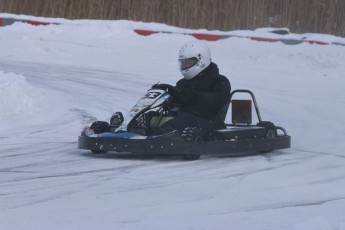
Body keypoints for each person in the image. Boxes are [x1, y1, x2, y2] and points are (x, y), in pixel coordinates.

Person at [154, 41, 231, 135]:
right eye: (183, 62)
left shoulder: (219, 81)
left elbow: (219, 100)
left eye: (188, 62)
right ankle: (138, 134)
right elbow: (177, 99)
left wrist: (195, 96)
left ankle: (152, 141)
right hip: (184, 118)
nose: (185, 65)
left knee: (171, 127)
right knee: (150, 118)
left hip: (206, 121)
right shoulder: (183, 83)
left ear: (201, 60)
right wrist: (165, 95)